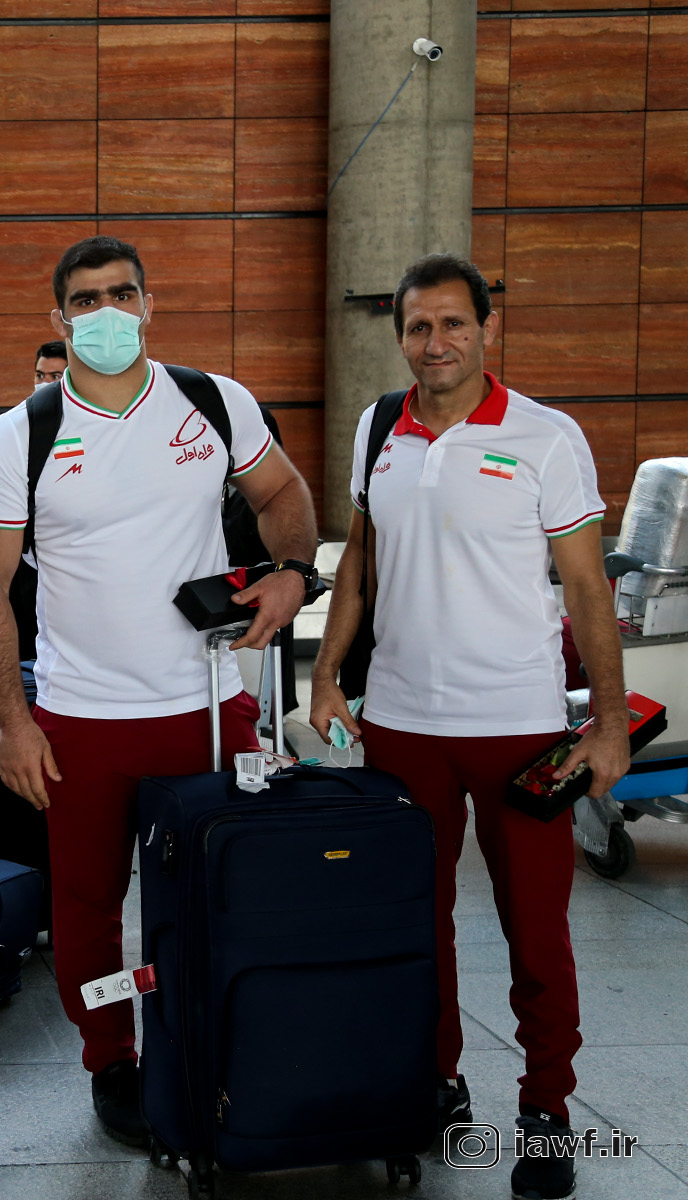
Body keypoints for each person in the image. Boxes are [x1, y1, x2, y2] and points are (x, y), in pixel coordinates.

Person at [0, 235, 319, 1147]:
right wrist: (12, 721)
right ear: (59, 318)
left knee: (227, 889)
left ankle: (221, 1040)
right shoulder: (19, 435)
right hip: (80, 719)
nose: (106, 313)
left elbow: (282, 493)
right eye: (86, 301)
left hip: (208, 706)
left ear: (150, 305)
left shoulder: (212, 402)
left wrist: (292, 569)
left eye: (122, 294)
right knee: (87, 908)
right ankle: (111, 1061)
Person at [308, 253, 629, 1200]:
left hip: (521, 728)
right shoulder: (378, 427)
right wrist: (327, 673)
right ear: (400, 336)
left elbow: (587, 588)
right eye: (418, 326)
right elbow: (359, 562)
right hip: (403, 724)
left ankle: (546, 1110)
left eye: (454, 323)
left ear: (487, 328)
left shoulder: (546, 437)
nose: (436, 341)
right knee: (415, 921)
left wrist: (608, 722)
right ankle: (436, 1083)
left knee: (537, 931)